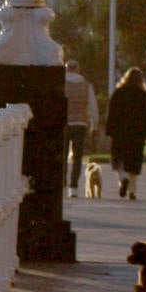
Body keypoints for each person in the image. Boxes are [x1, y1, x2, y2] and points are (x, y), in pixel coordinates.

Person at [105, 66, 146, 199]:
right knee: (134, 161)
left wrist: (109, 130)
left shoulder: (118, 93)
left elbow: (112, 113)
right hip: (137, 134)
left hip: (119, 132)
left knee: (119, 158)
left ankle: (123, 177)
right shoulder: (143, 95)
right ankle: (132, 190)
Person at [63, 61, 99, 195]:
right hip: (80, 123)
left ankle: (63, 184)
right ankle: (74, 187)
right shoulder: (86, 86)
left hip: (64, 123)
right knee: (77, 156)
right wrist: (94, 124)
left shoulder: (62, 84)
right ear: (78, 70)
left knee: (63, 155)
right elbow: (93, 107)